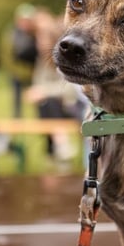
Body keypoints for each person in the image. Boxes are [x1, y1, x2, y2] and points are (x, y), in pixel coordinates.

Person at [24, 10, 82, 164]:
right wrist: (40, 91)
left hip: (73, 107)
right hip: (53, 107)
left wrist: (44, 91)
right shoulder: (42, 60)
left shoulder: (66, 58)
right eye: (37, 38)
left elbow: (72, 88)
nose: (38, 42)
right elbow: (38, 83)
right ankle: (59, 147)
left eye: (41, 38)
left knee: (47, 101)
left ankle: (58, 146)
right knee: (45, 102)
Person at [0, 3, 39, 118]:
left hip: (33, 74)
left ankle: (38, 120)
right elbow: (6, 56)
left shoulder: (35, 35)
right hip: (17, 74)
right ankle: (17, 120)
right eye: (23, 19)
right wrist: (18, 71)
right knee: (16, 101)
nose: (25, 23)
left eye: (28, 20)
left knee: (37, 99)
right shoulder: (11, 34)